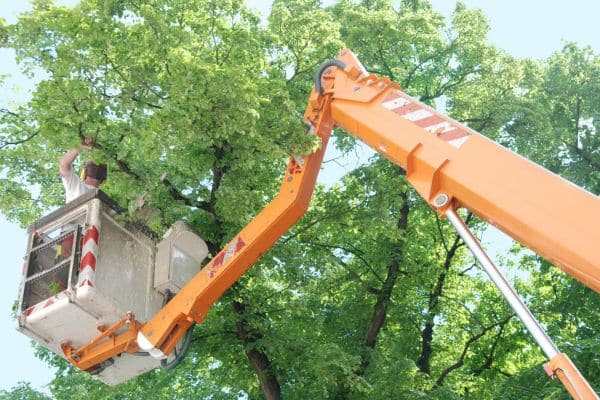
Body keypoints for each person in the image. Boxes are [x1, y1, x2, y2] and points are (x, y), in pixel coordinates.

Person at [59, 138, 107, 203]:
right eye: (93, 164)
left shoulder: (103, 201)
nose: (97, 163)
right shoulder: (76, 185)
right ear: (84, 171)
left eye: (101, 166)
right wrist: (80, 146)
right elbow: (64, 164)